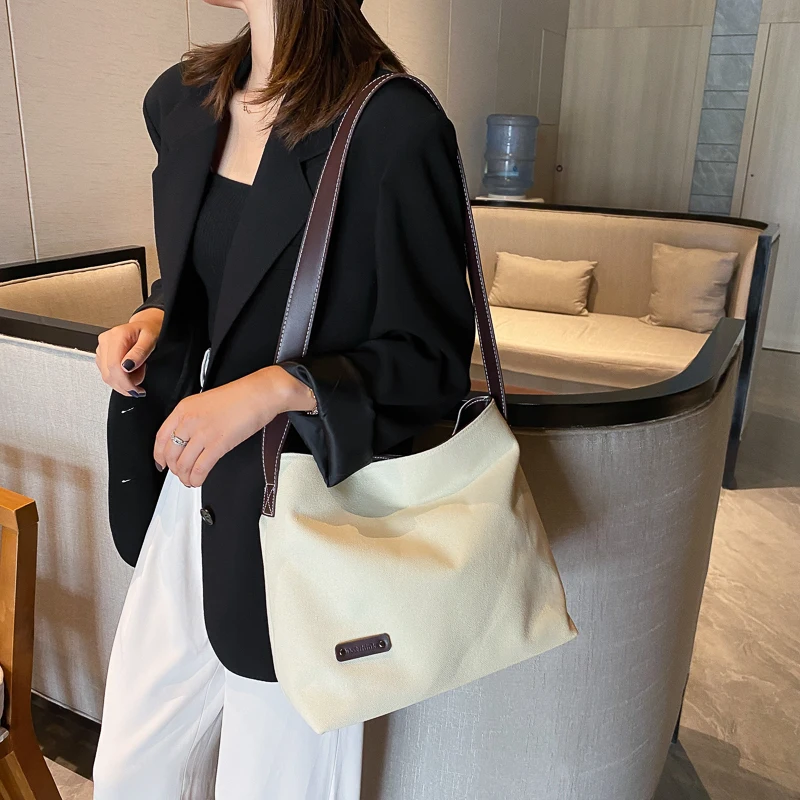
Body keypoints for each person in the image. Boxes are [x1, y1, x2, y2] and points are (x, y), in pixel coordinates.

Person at [92, 0, 476, 796]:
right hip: (189, 494)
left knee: (275, 783)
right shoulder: (184, 99)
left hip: (307, 520)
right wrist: (157, 317)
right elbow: (214, 280)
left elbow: (431, 364)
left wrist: (275, 389)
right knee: (131, 772)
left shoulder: (391, 128)